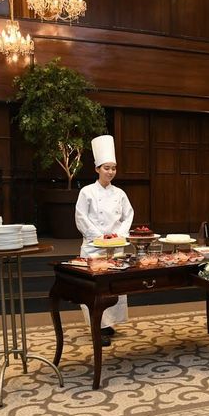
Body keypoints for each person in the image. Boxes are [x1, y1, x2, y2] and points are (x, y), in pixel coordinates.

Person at [75, 135, 134, 346]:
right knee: (94, 289)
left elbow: (128, 215)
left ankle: (107, 324)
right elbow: (81, 217)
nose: (110, 172)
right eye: (106, 168)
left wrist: (119, 235)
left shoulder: (120, 193)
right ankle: (96, 327)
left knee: (114, 287)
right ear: (97, 169)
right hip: (93, 247)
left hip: (115, 246)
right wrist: (99, 237)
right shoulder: (87, 192)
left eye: (113, 168)